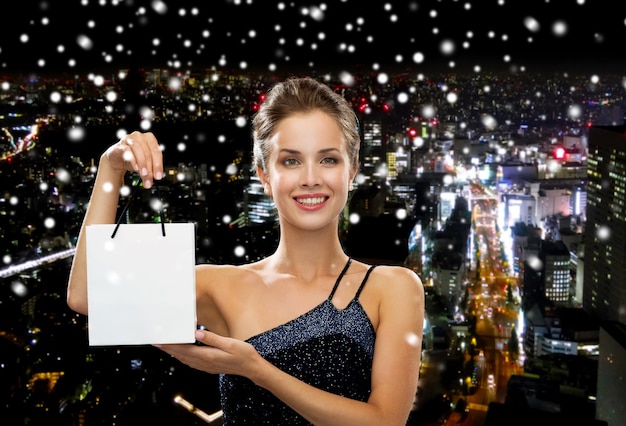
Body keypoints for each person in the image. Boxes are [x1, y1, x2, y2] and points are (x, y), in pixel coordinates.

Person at [67, 76, 425, 425]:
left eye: (329, 159)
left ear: (352, 172)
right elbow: (86, 296)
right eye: (291, 160)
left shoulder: (392, 288)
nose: (311, 177)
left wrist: (254, 369)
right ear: (264, 176)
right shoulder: (222, 285)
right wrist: (110, 169)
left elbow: (385, 420)